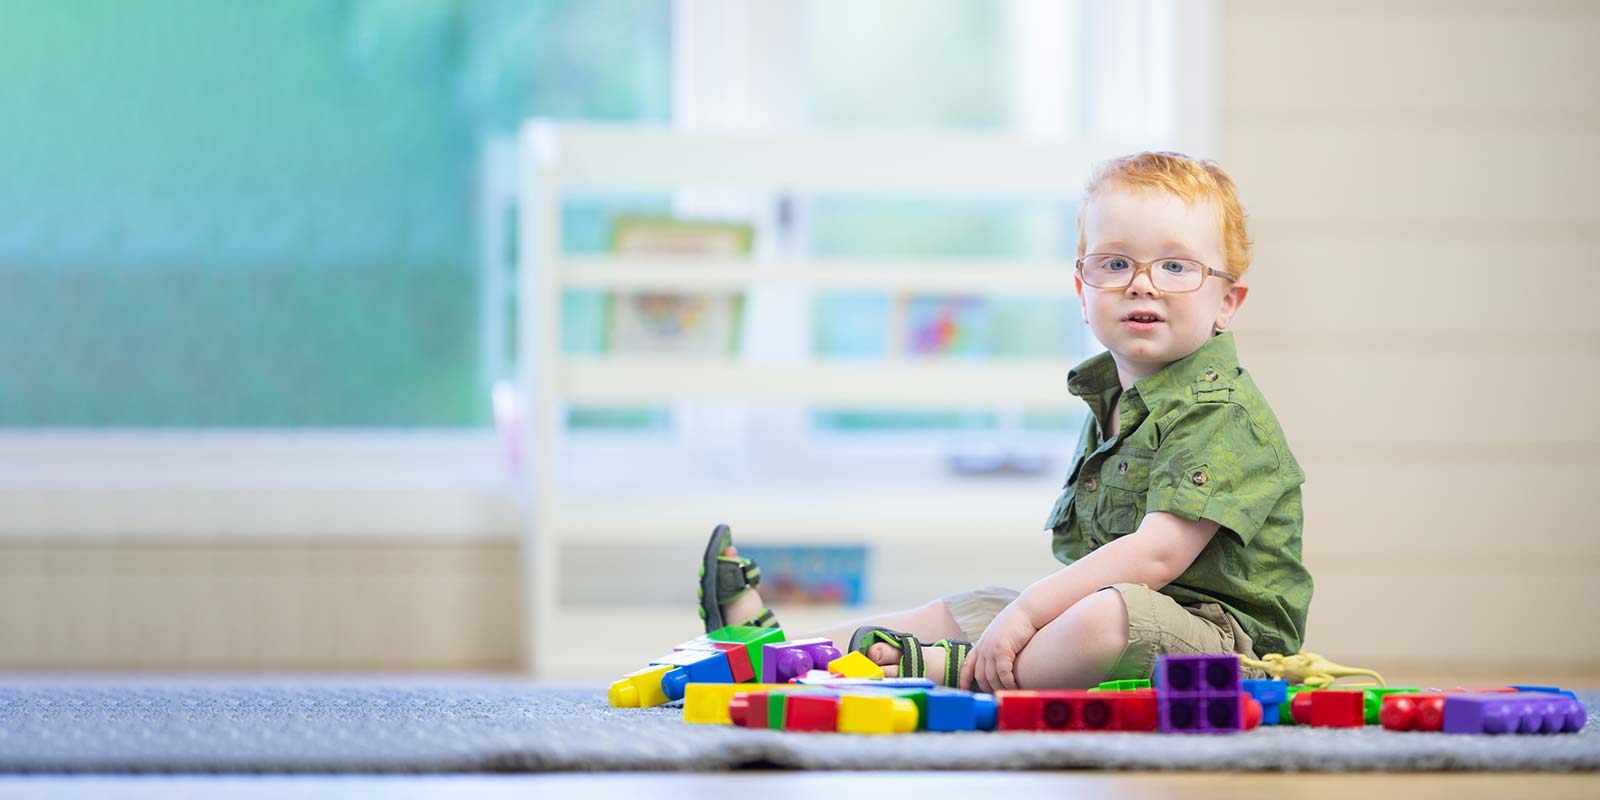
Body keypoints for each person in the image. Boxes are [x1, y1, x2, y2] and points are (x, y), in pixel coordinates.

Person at [698, 152, 1311, 692]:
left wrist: (1030, 613)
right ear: (1081, 290)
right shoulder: (1115, 399)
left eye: (1176, 267)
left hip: (1224, 646)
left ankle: (954, 669)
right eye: (1115, 263)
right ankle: (783, 654)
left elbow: (1154, 557)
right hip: (1120, 610)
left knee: (1096, 617)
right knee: (975, 605)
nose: (1142, 284)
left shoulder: (1218, 411)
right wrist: (1019, 613)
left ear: (1226, 303)